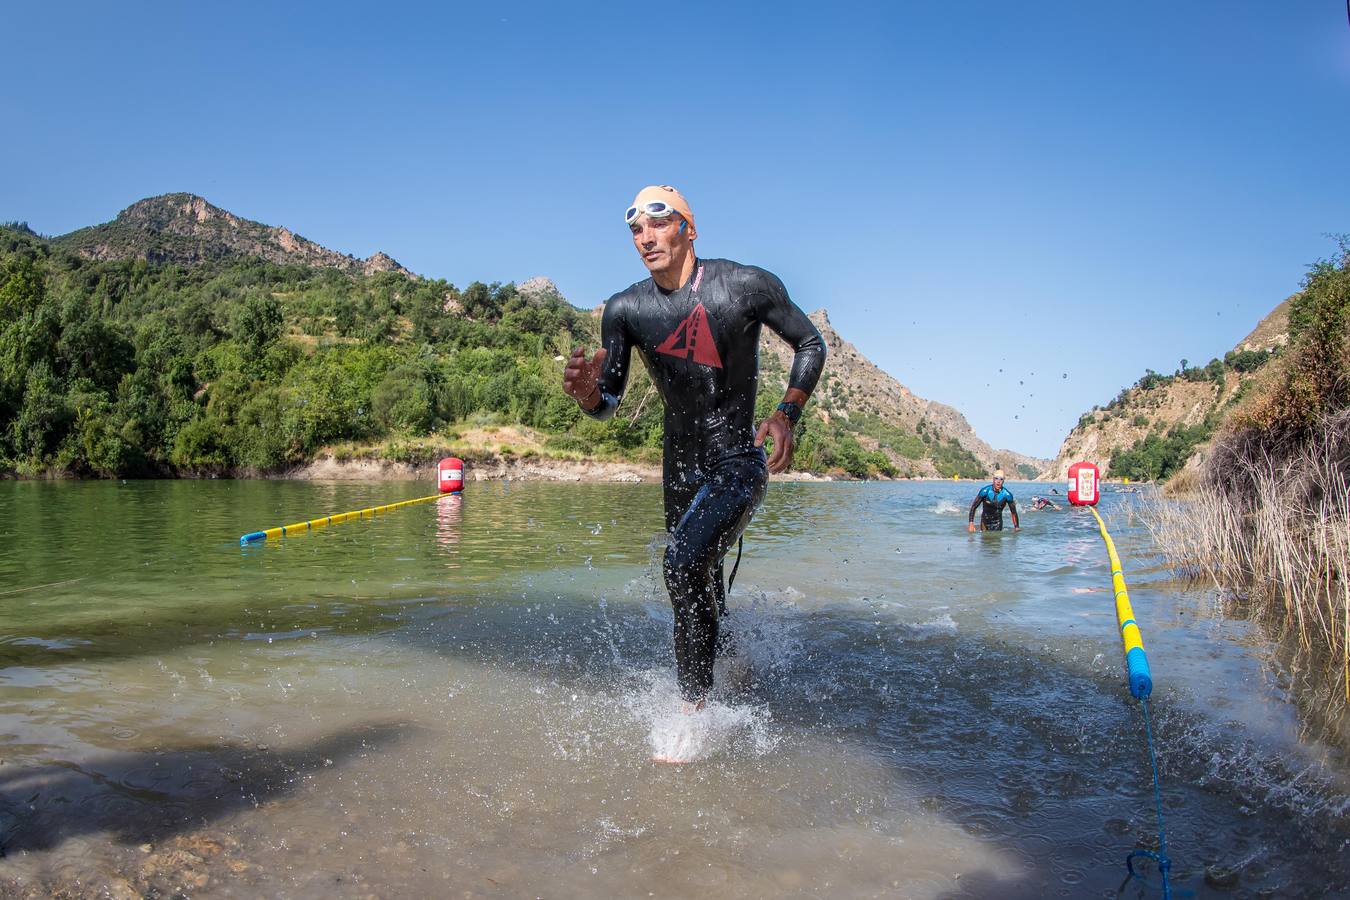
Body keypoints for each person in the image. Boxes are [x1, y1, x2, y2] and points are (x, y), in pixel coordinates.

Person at [562, 185, 826, 713]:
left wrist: (786, 413)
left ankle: (692, 712)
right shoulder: (625, 309)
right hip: (679, 470)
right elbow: (609, 401)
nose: (645, 237)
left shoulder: (745, 285)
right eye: (635, 229)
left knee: (681, 565)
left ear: (689, 228)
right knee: (697, 581)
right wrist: (591, 393)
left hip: (738, 460)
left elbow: (810, 344)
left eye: (658, 224)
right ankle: (732, 662)